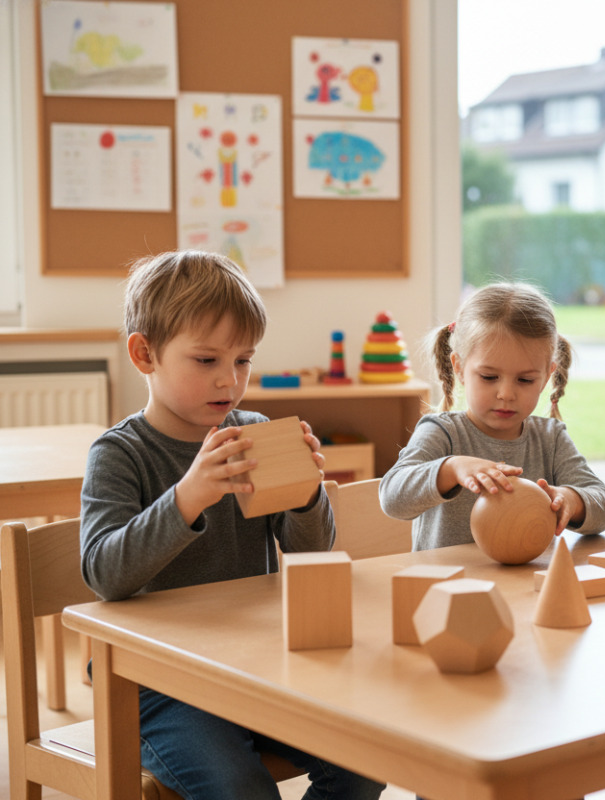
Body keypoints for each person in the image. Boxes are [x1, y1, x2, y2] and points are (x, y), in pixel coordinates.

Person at [80, 250, 385, 800]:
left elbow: (312, 553)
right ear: (144, 354)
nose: (230, 379)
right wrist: (188, 496)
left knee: (367, 759)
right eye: (206, 360)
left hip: (256, 663)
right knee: (239, 788)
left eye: (243, 360)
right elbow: (105, 575)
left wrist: (304, 492)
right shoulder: (120, 453)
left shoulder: (252, 431)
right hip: (158, 682)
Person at [379, 282, 605, 550]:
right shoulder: (442, 432)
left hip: (530, 576)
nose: (506, 394)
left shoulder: (550, 438)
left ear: (546, 377)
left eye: (525, 380)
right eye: (489, 377)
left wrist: (571, 499)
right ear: (459, 368)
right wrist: (452, 469)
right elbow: (392, 498)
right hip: (449, 576)